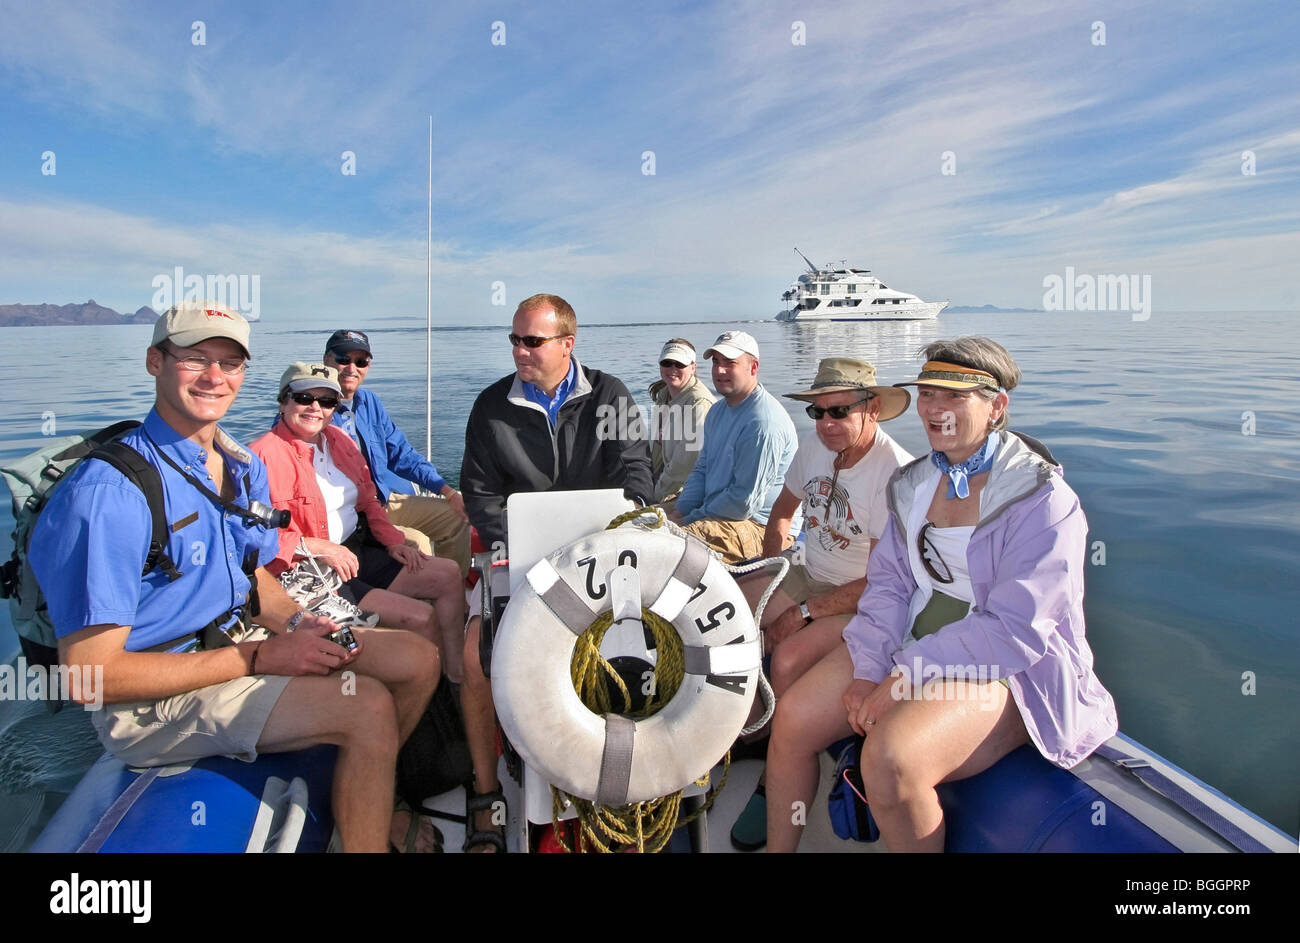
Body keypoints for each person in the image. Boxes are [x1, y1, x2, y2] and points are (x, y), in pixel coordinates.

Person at [28, 301, 440, 853]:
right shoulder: (108, 495)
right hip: (154, 698)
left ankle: (371, 795)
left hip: (240, 640)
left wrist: (298, 623)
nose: (214, 377)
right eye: (195, 359)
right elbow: (88, 678)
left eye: (230, 363)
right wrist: (258, 659)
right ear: (155, 361)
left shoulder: (236, 464)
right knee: (366, 707)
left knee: (418, 660)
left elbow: (251, 575)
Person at [765, 337, 1118, 852]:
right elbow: (889, 586)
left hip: (1010, 668)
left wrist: (906, 673)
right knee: (794, 718)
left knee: (890, 758)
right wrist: (868, 669)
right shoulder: (913, 484)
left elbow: (1015, 629)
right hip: (919, 640)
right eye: (928, 393)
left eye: (954, 396)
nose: (934, 408)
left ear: (997, 406)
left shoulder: (1043, 500)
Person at [458, 292, 653, 851]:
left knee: (626, 653)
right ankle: (486, 793)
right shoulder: (490, 407)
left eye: (532, 341)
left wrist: (610, 532)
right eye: (515, 339)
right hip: (518, 555)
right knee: (475, 658)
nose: (520, 350)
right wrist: (510, 541)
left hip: (603, 558)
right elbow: (480, 492)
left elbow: (636, 472)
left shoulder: (610, 394)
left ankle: (612, 781)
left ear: (568, 344)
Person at [728, 357, 913, 850]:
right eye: (818, 413)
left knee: (787, 656)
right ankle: (747, 732)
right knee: (728, 616)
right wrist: (771, 576)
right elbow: (781, 517)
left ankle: (774, 784)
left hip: (862, 597)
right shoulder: (814, 447)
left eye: (840, 412)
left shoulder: (894, 474)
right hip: (809, 571)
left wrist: (803, 613)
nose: (827, 424)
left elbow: (881, 580)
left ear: (872, 409)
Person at [249, 363, 466, 680]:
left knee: (447, 574)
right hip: (313, 573)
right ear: (283, 401)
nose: (315, 408)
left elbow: (367, 498)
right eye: (304, 398)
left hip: (356, 552)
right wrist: (312, 546)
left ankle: (457, 675)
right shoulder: (260, 457)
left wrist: (393, 541)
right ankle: (424, 692)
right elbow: (249, 540)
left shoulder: (337, 439)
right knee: (421, 617)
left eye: (326, 402)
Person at [323, 329, 472, 576]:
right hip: (350, 514)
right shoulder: (313, 410)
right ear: (326, 360)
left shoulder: (369, 403)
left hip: (381, 500)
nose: (352, 368)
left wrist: (446, 491)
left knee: (455, 517)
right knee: (417, 543)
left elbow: (401, 453)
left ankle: (456, 595)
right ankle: (426, 604)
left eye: (361, 362)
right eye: (343, 359)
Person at [666, 330, 800, 564]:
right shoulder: (717, 411)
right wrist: (680, 511)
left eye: (730, 363)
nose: (719, 370)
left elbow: (742, 503)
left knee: (668, 547)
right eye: (716, 362)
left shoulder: (762, 423)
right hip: (716, 510)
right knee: (641, 524)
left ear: (753, 367)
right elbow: (702, 469)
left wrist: (689, 520)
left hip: (758, 525)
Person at [648, 338, 714, 502]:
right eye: (667, 363)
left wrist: (653, 497)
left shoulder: (699, 403)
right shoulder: (663, 395)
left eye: (679, 364)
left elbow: (684, 465)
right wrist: (643, 483)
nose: (672, 369)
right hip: (666, 484)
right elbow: (656, 447)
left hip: (691, 491)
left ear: (693, 367)